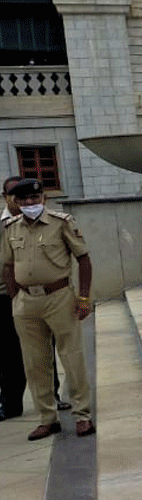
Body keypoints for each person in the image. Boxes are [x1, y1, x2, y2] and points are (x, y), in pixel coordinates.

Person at [1, 179, 95, 441]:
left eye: (35, 199)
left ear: (43, 198)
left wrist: (84, 297)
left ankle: (82, 415)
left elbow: (83, 259)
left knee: (71, 357)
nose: (31, 204)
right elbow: (7, 265)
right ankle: (47, 419)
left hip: (59, 297)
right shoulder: (10, 228)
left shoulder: (61, 222)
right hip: (26, 302)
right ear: (17, 203)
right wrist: (14, 296)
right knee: (35, 363)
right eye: (25, 201)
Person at [0, 176, 27, 421]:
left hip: (33, 294)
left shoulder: (39, 222)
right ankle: (10, 403)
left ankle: (54, 396)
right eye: (14, 195)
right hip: (4, 297)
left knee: (43, 349)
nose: (20, 200)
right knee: (8, 353)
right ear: (6, 197)